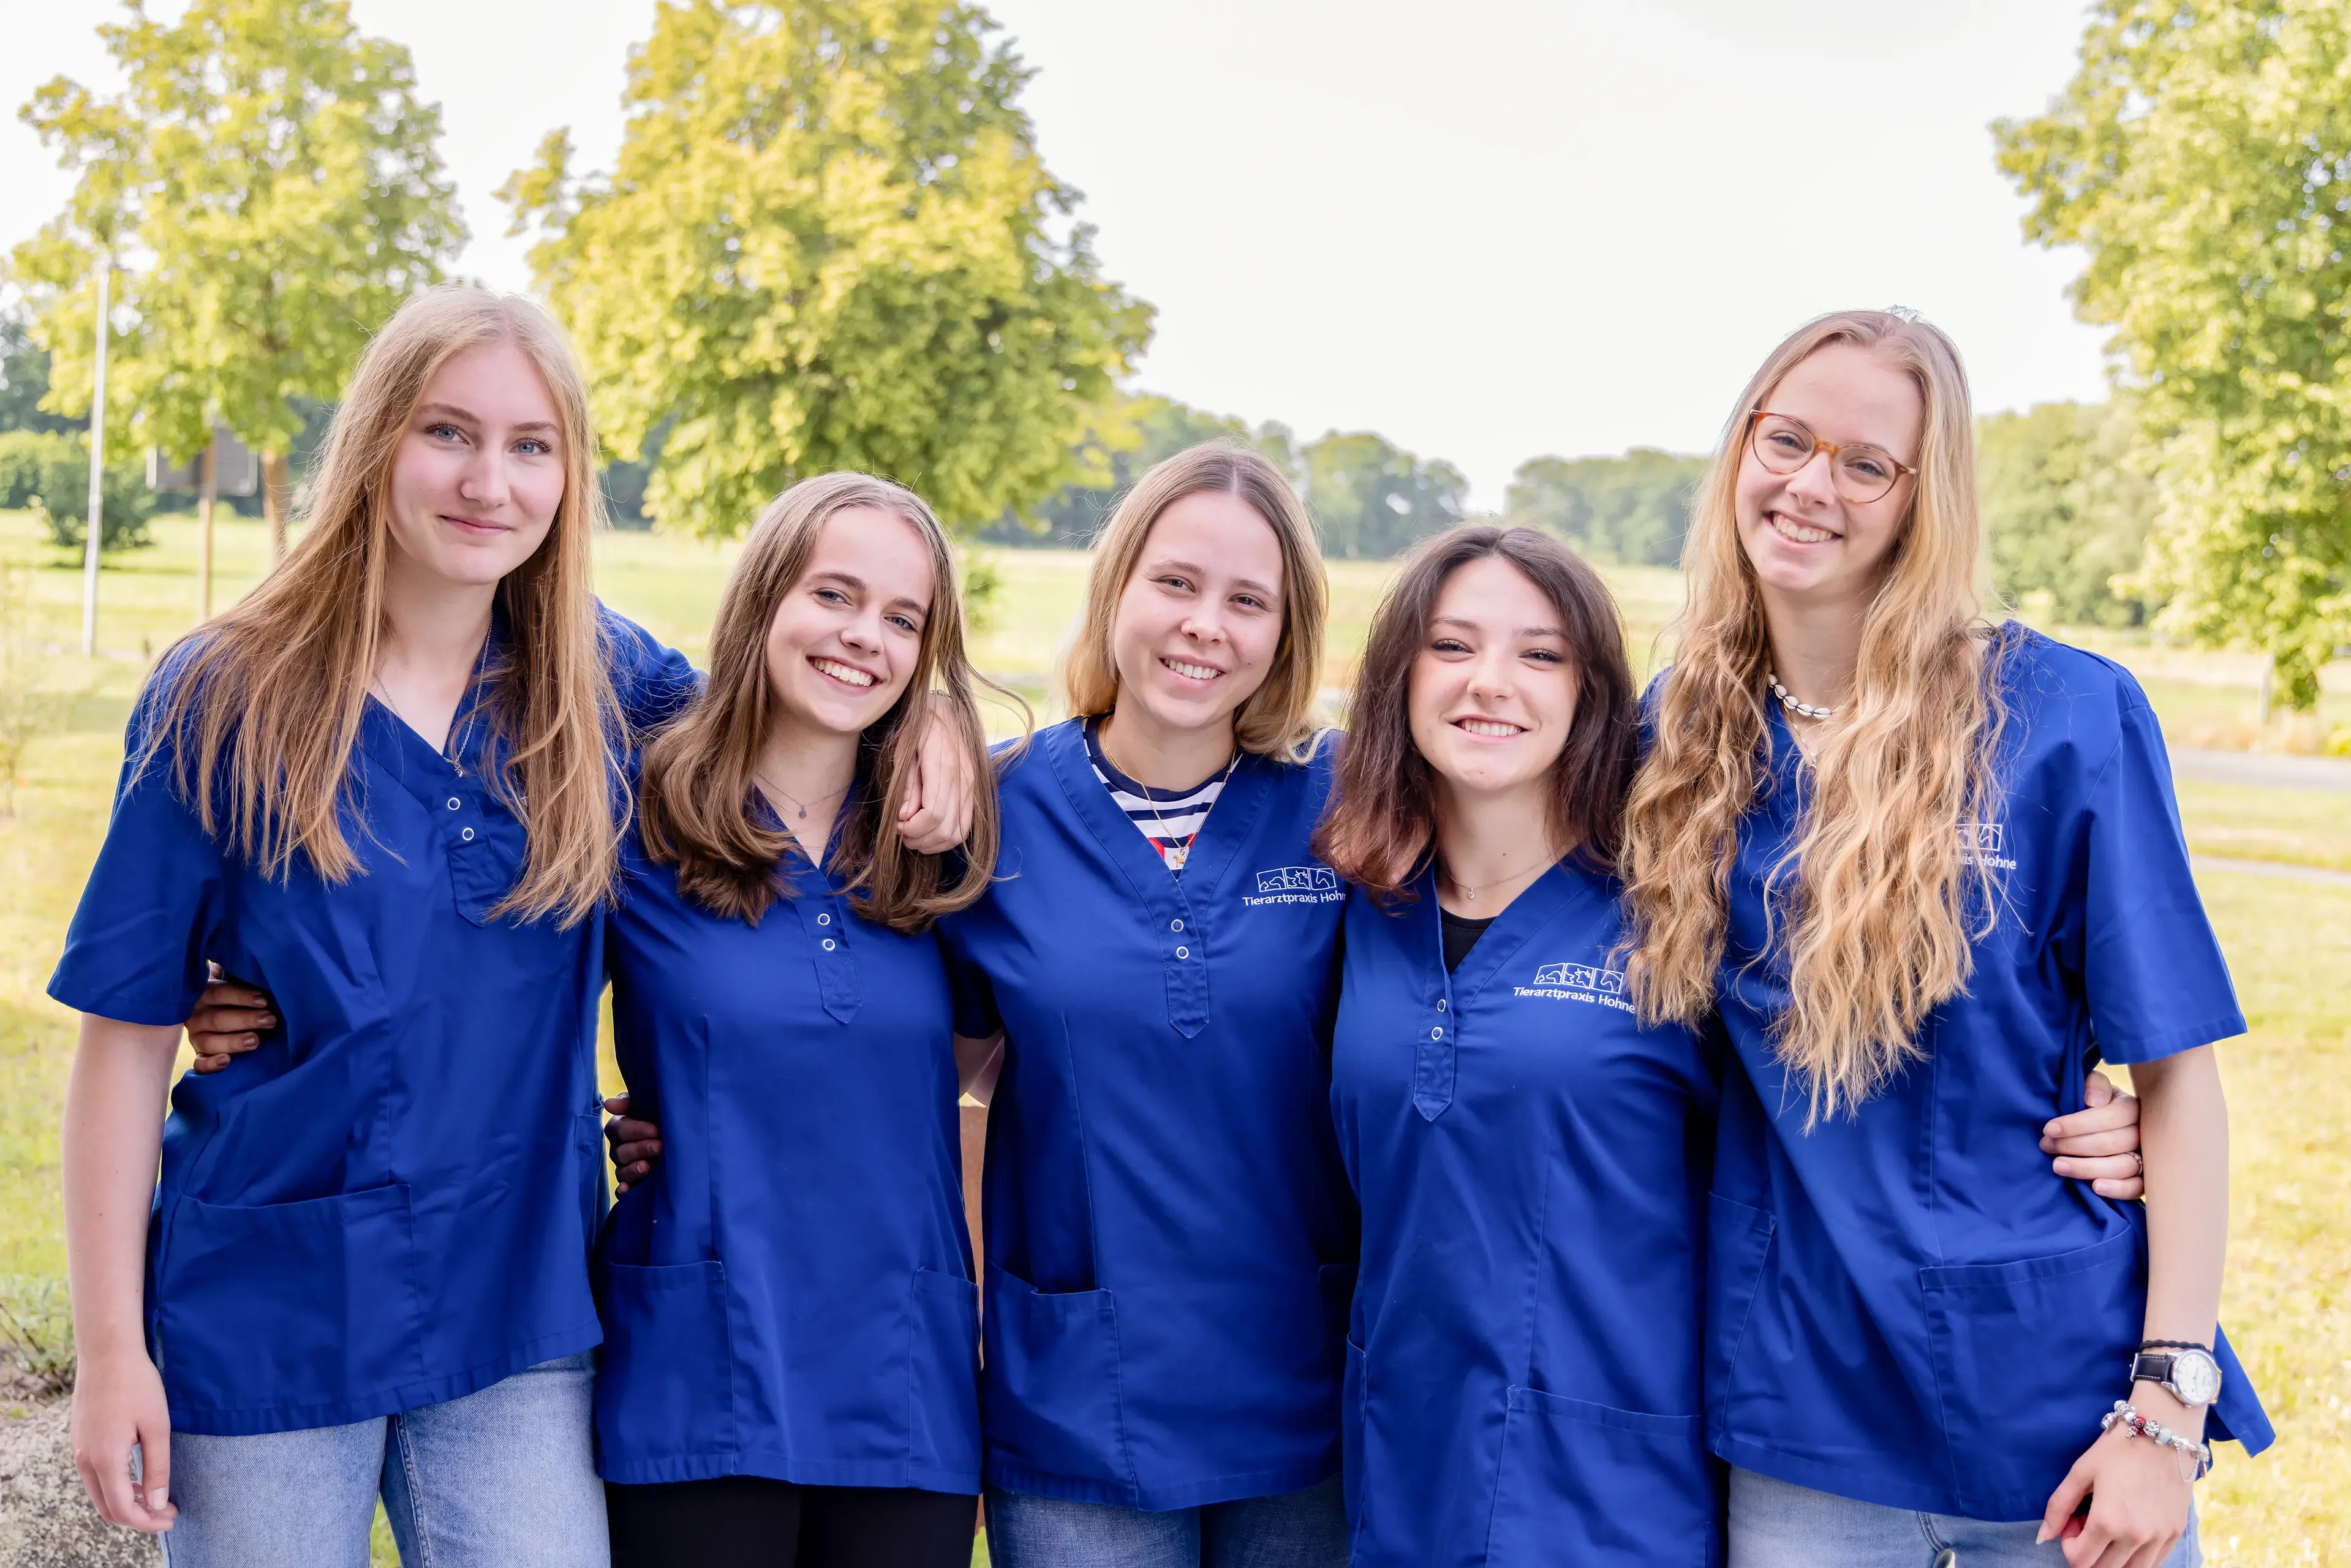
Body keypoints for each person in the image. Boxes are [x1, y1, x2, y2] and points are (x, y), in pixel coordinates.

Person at [54, 287, 970, 1567]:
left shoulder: (600, 683)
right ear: (377, 442)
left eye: (531, 445)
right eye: (448, 433)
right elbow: (122, 1040)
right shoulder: (223, 695)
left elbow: (801, 708)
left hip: (518, 1310)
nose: (489, 480)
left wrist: (934, 718)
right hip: (271, 1297)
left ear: (567, 474)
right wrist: (110, 1356)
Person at [1617, 309, 2274, 1567]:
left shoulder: (2063, 714)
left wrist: (2166, 1411)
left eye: (1866, 463)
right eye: (1786, 439)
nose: (1813, 484)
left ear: (1925, 501)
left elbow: (2177, 1072)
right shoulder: (1676, 738)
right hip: (1802, 1431)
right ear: (1739, 448)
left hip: (2061, 1422)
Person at [595, 472, 1002, 1568]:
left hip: (901, 1379)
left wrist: (952, 728)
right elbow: (487, 996)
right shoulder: (635, 816)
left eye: (902, 618)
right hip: (700, 1363)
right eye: (834, 595)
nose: (863, 637)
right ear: (765, 598)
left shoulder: (950, 841)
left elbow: (985, 1075)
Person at [1316, 524, 1721, 1566]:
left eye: (1540, 655)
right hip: (1405, 1482)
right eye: (1451, 647)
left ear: (1591, 695)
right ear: (1396, 677)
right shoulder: (1354, 905)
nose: (1491, 683)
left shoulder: (1674, 917)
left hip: (1619, 1498)